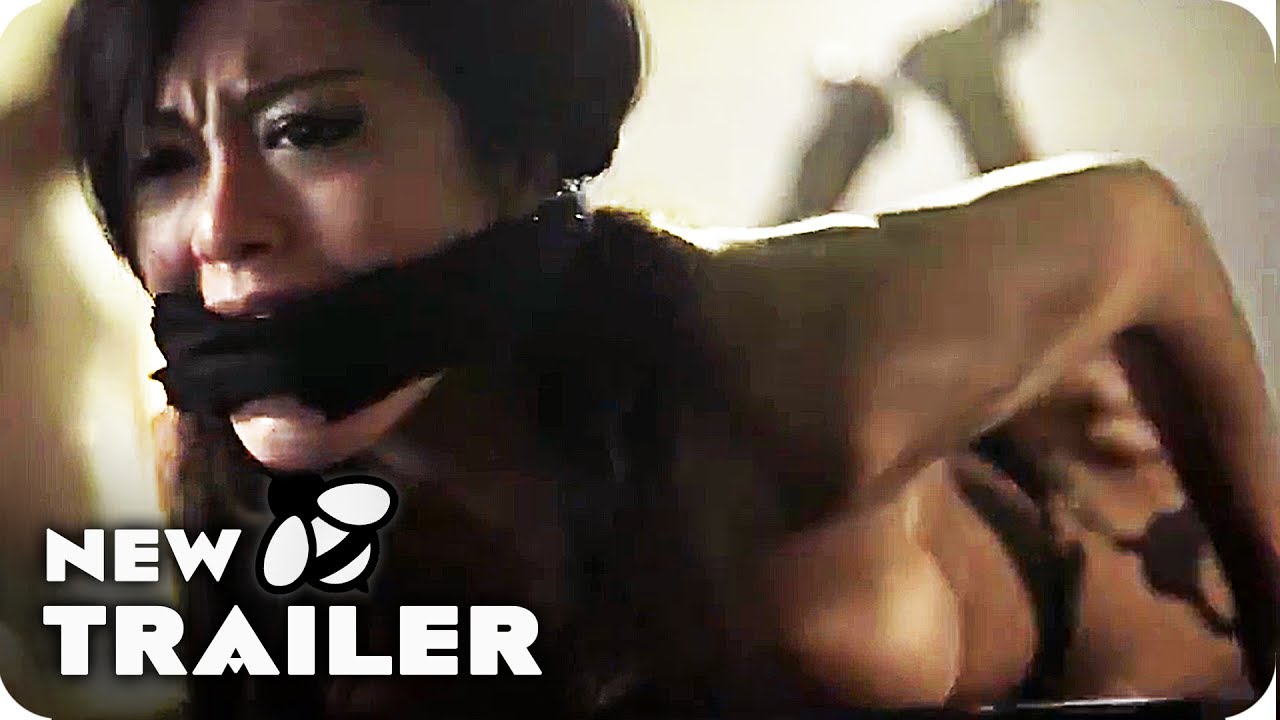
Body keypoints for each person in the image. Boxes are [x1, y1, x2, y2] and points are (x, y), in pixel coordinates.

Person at [54, 0, 1278, 718]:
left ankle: (953, 94)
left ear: (516, 154)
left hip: (1077, 546)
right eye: (161, 161)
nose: (216, 231)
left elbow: (1137, 226)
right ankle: (853, 130)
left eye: (309, 128)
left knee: (1064, 399)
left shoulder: (816, 366)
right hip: (664, 382)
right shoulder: (226, 470)